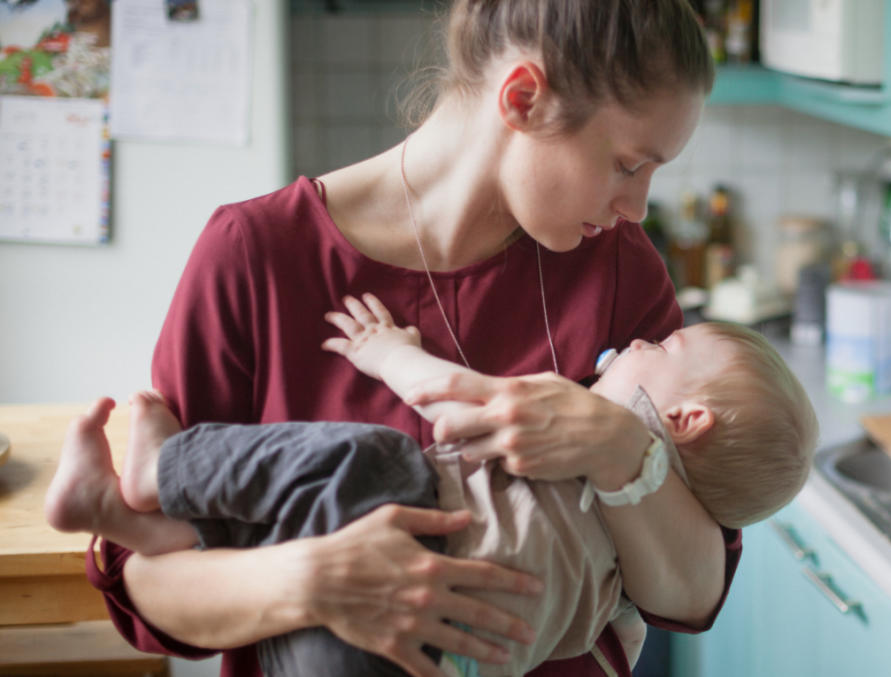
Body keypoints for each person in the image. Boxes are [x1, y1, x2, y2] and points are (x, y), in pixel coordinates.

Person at [81, 2, 739, 675]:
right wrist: (309, 579)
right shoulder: (255, 255)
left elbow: (691, 592)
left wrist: (621, 446)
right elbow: (147, 584)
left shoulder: (621, 268)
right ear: (523, 100)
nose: (638, 207)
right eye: (629, 165)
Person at [46, 293, 818, 677]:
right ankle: (137, 524)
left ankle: (160, 474)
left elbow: (456, 402)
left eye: (665, 343)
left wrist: (387, 353)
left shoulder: (592, 418)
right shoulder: (623, 586)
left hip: (403, 596)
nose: (644, 338)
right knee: (295, 529)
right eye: (629, 162)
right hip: (420, 662)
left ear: (683, 420)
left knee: (376, 463)